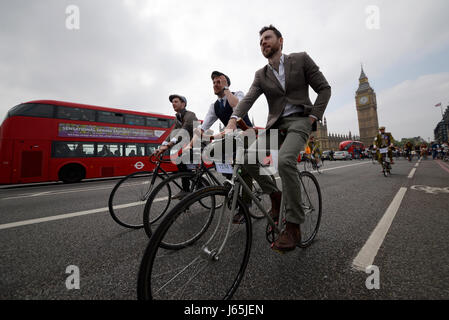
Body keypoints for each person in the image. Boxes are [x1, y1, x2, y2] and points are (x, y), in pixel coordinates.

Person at [225, 25, 331, 252]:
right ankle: (275, 195)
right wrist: (233, 120)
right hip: (277, 125)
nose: (263, 42)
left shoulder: (301, 59)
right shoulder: (261, 75)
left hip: (301, 121)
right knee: (246, 159)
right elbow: (248, 100)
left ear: (280, 41)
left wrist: (314, 117)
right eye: (260, 40)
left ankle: (293, 226)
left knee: (284, 161)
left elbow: (324, 88)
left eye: (267, 38)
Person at [190, 71, 254, 224]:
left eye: (219, 81)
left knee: (244, 165)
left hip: (246, 134)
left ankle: (246, 204)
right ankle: (231, 180)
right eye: (213, 82)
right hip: (231, 137)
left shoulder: (237, 93)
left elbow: (237, 107)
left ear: (226, 83)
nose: (215, 84)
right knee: (211, 151)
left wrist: (226, 89)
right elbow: (203, 126)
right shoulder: (214, 106)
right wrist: (189, 144)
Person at [154, 94, 198, 199]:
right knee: (181, 162)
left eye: (176, 101)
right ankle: (189, 187)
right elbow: (173, 132)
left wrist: (169, 145)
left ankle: (190, 188)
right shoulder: (177, 118)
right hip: (189, 146)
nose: (173, 104)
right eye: (172, 102)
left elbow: (183, 131)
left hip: (199, 145)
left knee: (180, 159)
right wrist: (162, 145)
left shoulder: (190, 115)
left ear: (183, 104)